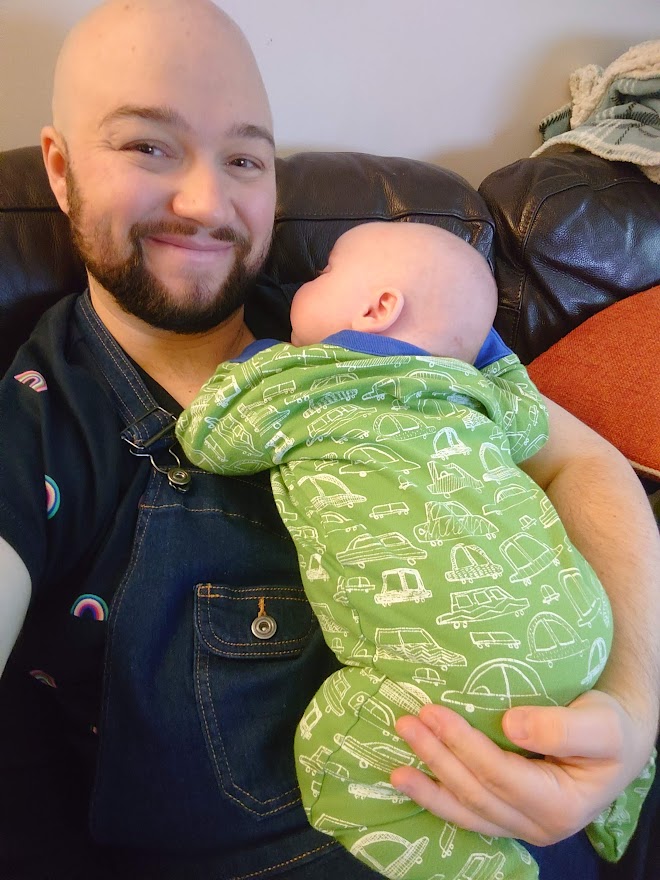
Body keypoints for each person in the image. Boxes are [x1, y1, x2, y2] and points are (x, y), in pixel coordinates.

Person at [0, 1, 658, 877]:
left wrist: (629, 714)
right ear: (60, 167)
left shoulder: (378, 323)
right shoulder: (39, 417)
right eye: (148, 146)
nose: (206, 202)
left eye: (244, 159)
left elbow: (580, 459)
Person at [176, 220, 655, 879]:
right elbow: (530, 420)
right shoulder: (472, 391)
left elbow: (211, 440)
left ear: (377, 308)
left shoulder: (300, 382)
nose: (302, 282)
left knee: (337, 752)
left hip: (457, 670)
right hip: (583, 630)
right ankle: (624, 798)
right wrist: (475, 344)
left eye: (322, 274)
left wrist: (243, 370)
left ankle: (480, 869)